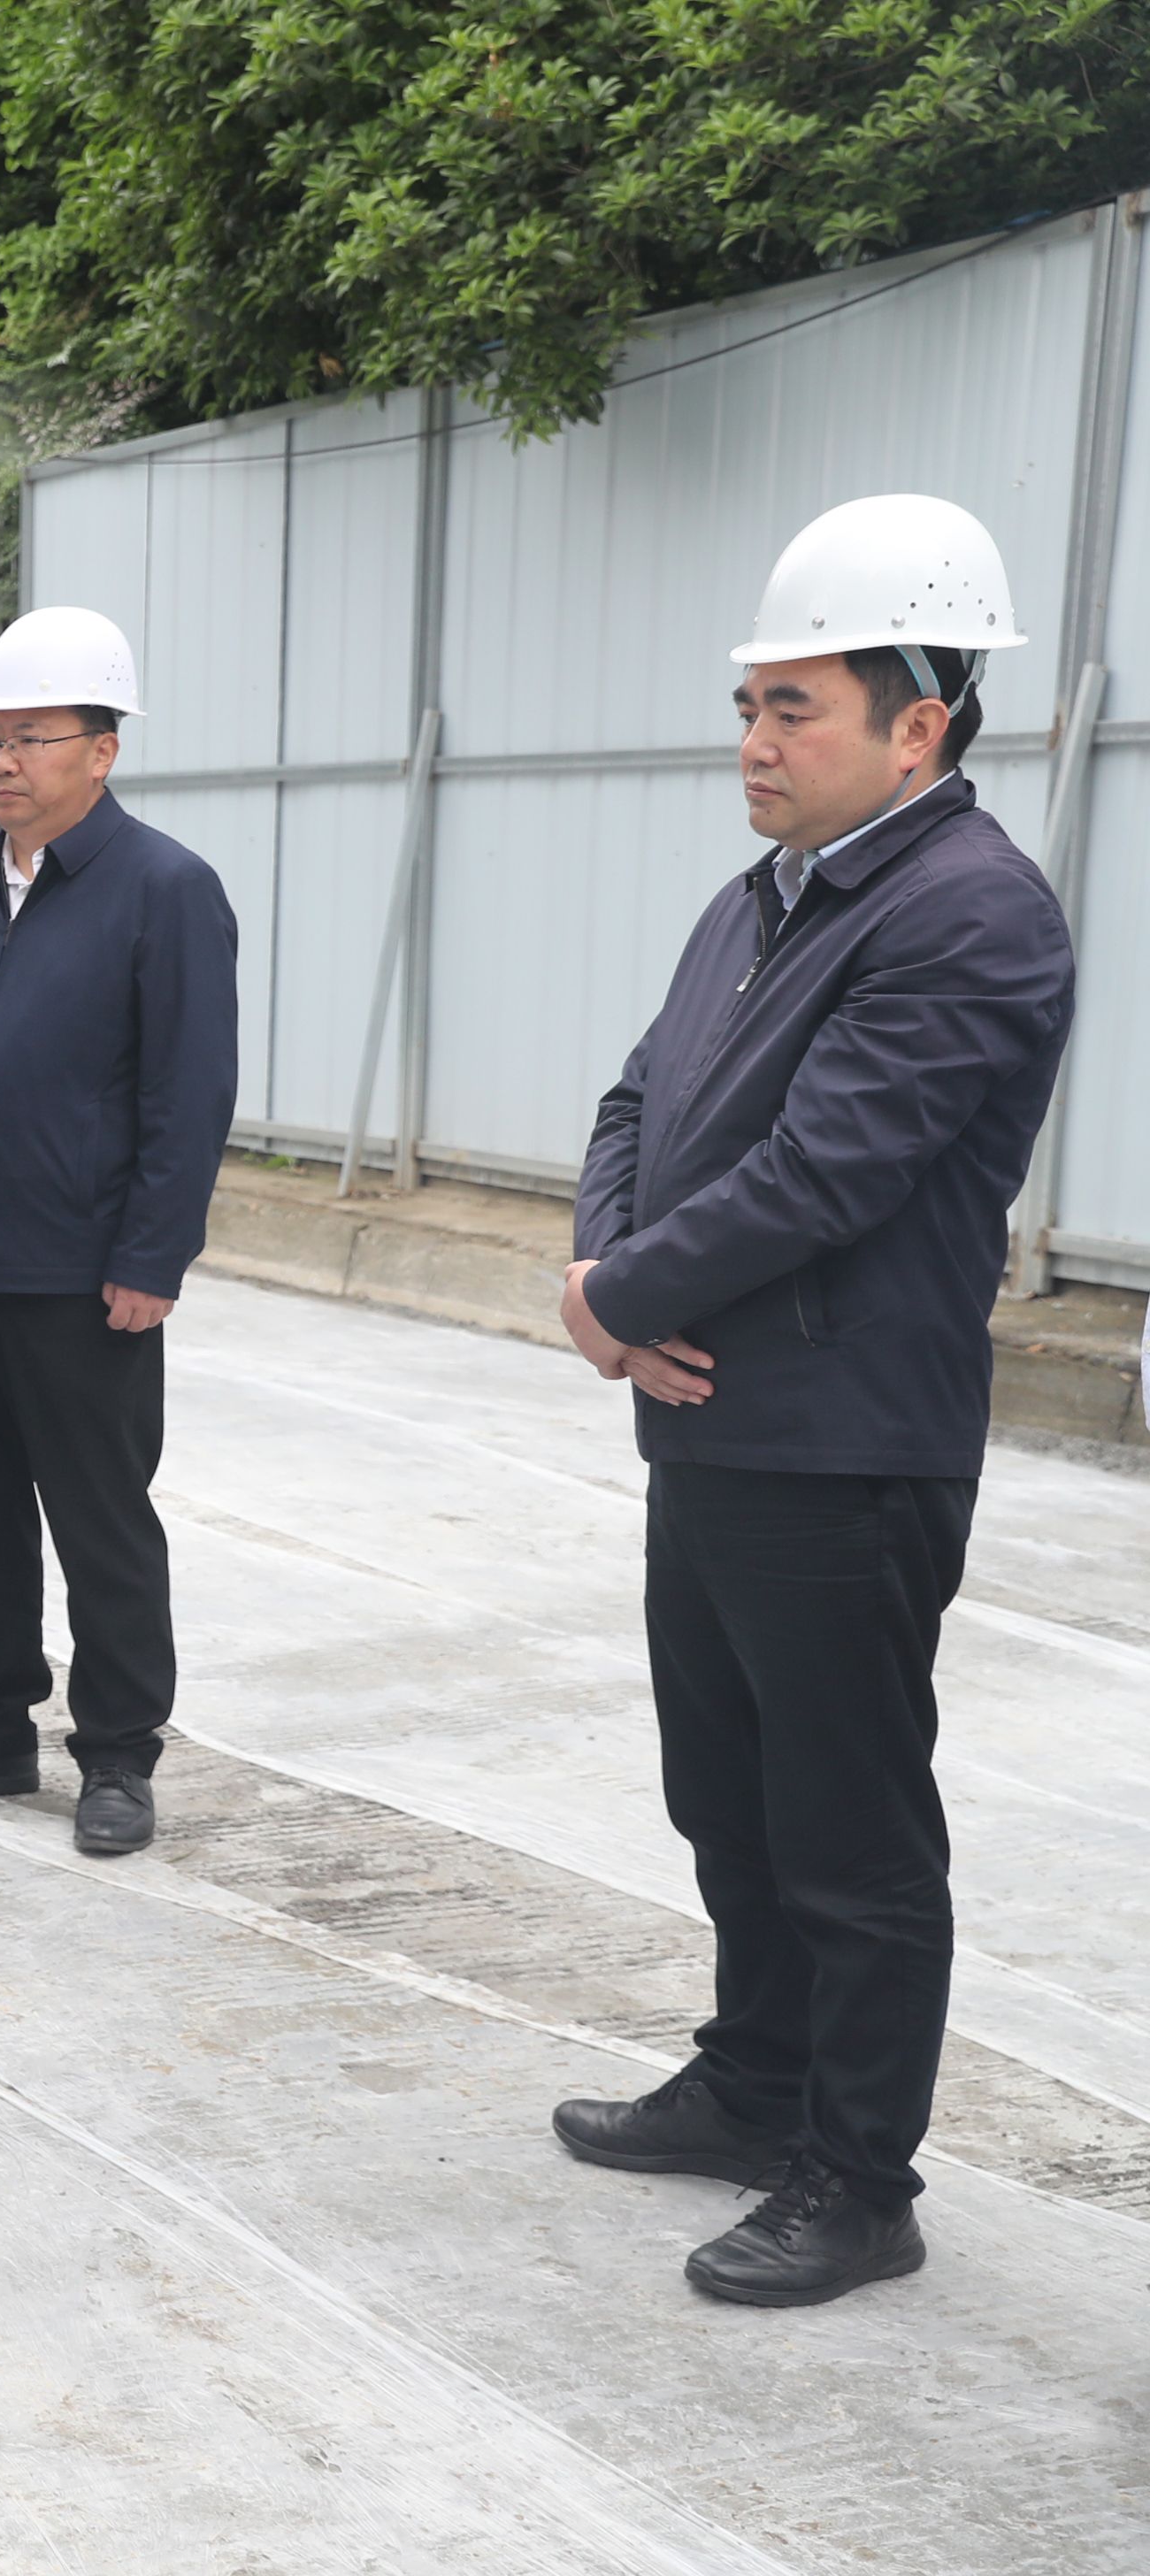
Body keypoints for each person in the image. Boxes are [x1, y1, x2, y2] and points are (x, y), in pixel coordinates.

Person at [550, 494, 1073, 2305]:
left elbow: (824, 1173)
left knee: (848, 1832)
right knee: (731, 1798)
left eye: (799, 710)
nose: (756, 744)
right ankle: (754, 2080)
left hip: (845, 1448)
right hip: (710, 1428)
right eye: (751, 706)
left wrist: (617, 1295)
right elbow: (641, 1100)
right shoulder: (760, 894)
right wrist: (608, 1277)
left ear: (922, 723)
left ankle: (861, 2177)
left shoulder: (971, 916)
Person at [0, 608, 240, 1859]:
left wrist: (152, 1258)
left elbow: (188, 1091)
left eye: (30, 738)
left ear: (102, 752)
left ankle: (115, 1754)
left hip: (82, 1277)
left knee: (100, 1515)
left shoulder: (165, 891)